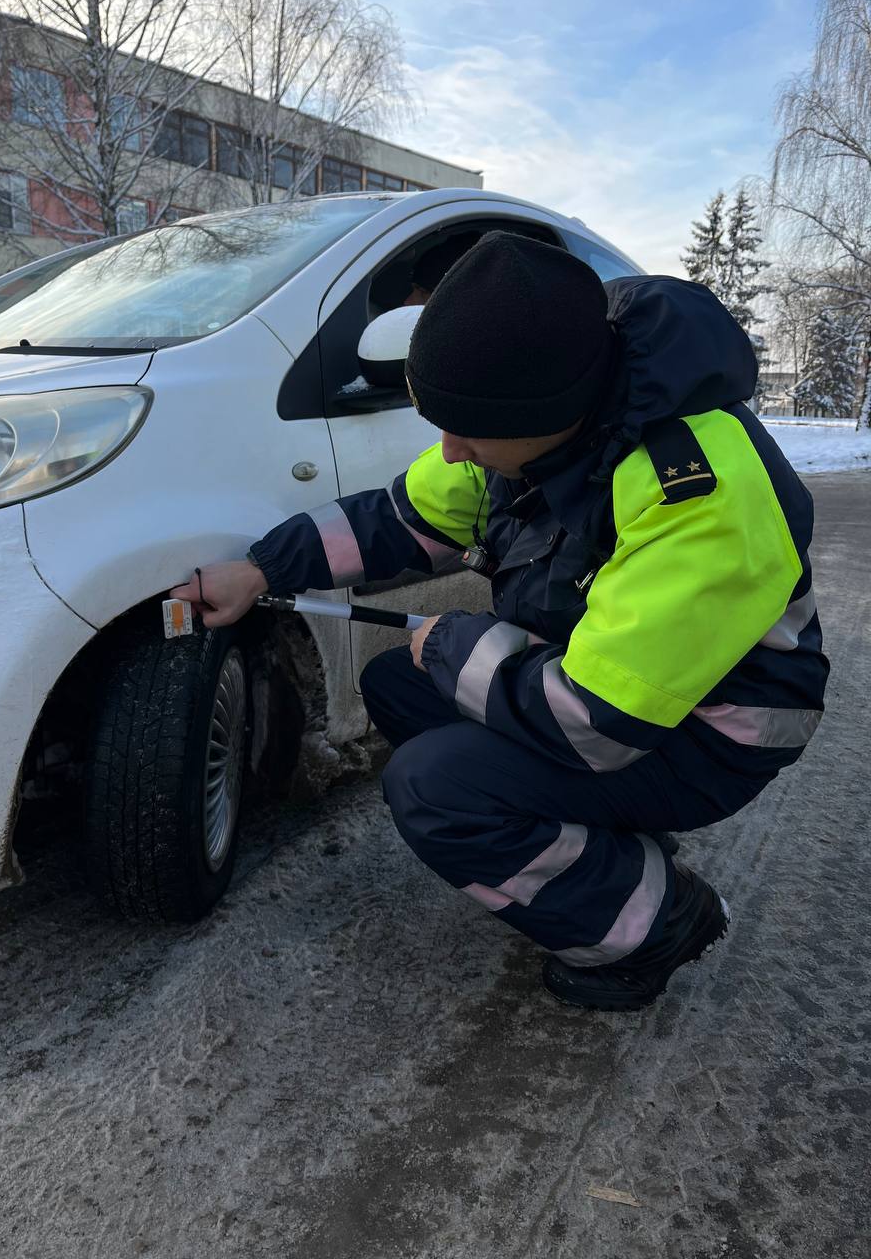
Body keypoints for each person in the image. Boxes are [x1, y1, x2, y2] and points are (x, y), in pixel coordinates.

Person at [171, 232, 829, 1012]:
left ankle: (653, 920)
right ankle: (590, 848)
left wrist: (454, 644)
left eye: (466, 430)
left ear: (544, 413)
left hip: (708, 733)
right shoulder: (528, 430)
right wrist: (263, 568)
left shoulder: (700, 491)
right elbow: (397, 519)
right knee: (397, 683)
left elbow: (598, 722)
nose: (449, 451)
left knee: (435, 786)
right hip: (607, 691)